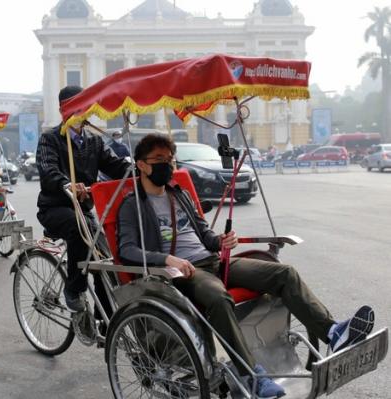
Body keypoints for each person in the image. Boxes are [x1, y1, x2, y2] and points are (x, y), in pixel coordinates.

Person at [117, 134, 375, 398]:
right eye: (159, 159)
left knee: (284, 274)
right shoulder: (132, 205)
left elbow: (206, 236)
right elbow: (127, 250)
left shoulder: (179, 195)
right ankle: (252, 375)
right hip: (182, 273)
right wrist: (167, 259)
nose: (167, 165)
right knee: (218, 297)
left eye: (170, 160)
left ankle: (333, 332)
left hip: (214, 261)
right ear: (142, 165)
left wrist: (223, 240)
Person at [36, 85, 131, 313]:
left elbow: (114, 165)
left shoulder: (94, 141)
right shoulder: (50, 138)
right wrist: (67, 184)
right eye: (75, 106)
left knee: (105, 258)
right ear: (62, 110)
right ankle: (74, 289)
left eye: (84, 106)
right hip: (55, 208)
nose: (81, 112)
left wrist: (140, 168)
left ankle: (105, 318)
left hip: (83, 210)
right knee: (79, 228)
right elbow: (48, 170)